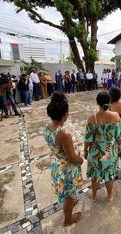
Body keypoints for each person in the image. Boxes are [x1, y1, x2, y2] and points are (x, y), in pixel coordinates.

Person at [43, 92, 84, 227]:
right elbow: (72, 158)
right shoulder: (63, 134)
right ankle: (68, 220)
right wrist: (81, 160)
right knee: (69, 196)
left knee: (69, 193)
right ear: (64, 114)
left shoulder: (48, 127)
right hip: (66, 169)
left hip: (57, 163)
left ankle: (71, 203)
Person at [84, 92, 121, 202]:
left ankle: (94, 196)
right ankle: (110, 195)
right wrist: (119, 146)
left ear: (97, 103)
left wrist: (85, 150)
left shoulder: (92, 118)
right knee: (109, 173)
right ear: (109, 101)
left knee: (95, 174)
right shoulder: (115, 116)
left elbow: (88, 138)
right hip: (109, 151)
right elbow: (119, 135)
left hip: (95, 152)